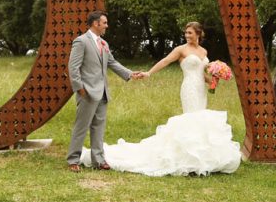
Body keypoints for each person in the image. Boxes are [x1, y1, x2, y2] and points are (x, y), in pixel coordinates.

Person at [79, 22, 241, 176]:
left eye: (190, 33)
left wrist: (215, 78)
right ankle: (190, 160)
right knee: (191, 118)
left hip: (200, 89)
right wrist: (149, 73)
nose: (186, 35)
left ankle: (200, 158)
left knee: (200, 118)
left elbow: (202, 74)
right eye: (186, 32)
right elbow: (165, 61)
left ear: (198, 34)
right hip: (189, 88)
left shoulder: (204, 52)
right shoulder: (181, 50)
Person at [67, 10, 143, 172]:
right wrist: (79, 88)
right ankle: (73, 160)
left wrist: (130, 74)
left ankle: (99, 160)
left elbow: (113, 63)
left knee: (98, 127)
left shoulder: (104, 43)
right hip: (86, 92)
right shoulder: (81, 41)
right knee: (81, 126)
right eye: (105, 23)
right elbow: (73, 67)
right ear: (96, 23)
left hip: (102, 93)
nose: (107, 26)